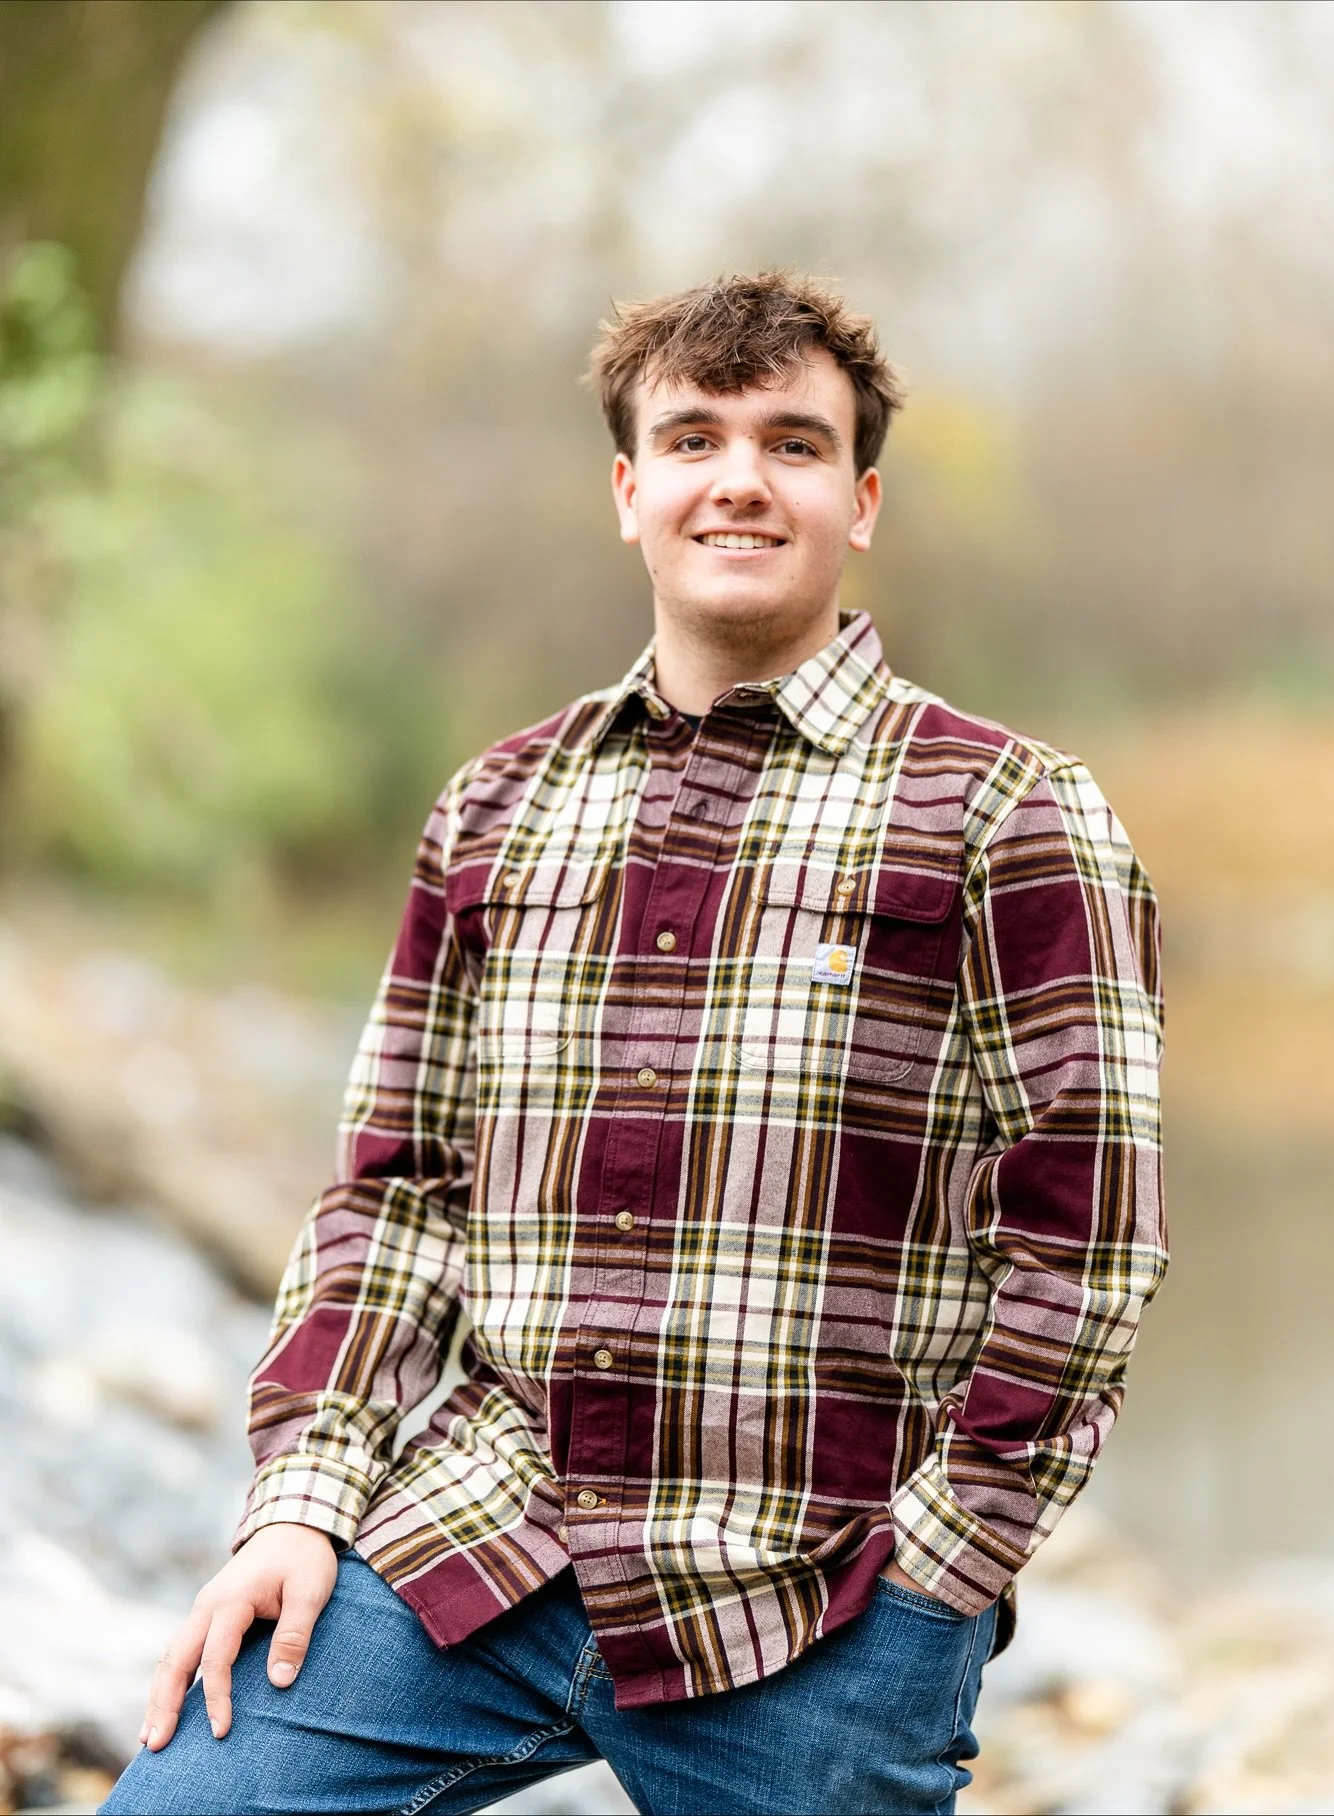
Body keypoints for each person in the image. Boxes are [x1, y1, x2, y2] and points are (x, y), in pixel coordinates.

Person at [101, 271, 1166, 1816]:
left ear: (858, 501)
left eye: (792, 445)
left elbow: (1088, 1241)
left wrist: (948, 1569)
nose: (739, 479)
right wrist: (298, 1508)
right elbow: (394, 1199)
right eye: (693, 439)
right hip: (478, 1546)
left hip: (816, 1593)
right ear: (629, 491)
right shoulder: (495, 809)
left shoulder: (1007, 816)